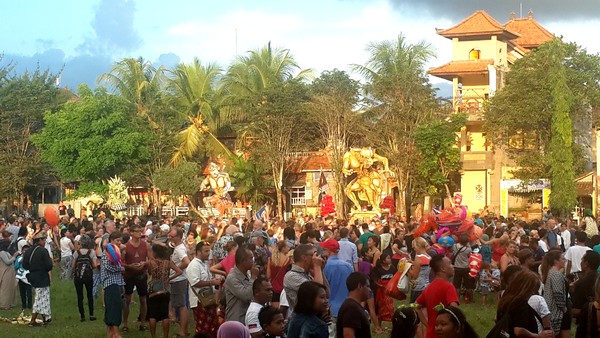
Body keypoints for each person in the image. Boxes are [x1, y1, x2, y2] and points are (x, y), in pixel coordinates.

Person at [496, 270, 554, 338]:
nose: (533, 292)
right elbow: (519, 331)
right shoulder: (520, 304)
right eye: (532, 288)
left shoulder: (506, 299)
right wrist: (538, 336)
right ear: (526, 288)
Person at [415, 254, 459, 338]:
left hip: (431, 333)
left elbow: (416, 305)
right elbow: (455, 310)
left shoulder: (429, 287)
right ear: (443, 269)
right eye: (450, 263)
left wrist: (427, 324)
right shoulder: (448, 287)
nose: (453, 266)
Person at [147, 244, 182, 338]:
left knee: (152, 315)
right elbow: (179, 271)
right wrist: (169, 278)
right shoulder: (167, 262)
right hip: (165, 290)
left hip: (153, 290)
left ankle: (153, 336)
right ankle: (165, 336)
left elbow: (147, 272)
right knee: (165, 315)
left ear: (155, 252)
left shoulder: (150, 263)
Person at [320, 238, 353, 337]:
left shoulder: (324, 267)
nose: (323, 251)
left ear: (329, 251)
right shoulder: (348, 266)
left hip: (330, 308)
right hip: (346, 307)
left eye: (324, 249)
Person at [188, 240, 222, 336]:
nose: (208, 254)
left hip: (208, 299)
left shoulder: (204, 263)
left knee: (212, 327)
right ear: (198, 252)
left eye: (209, 251)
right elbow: (195, 282)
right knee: (203, 329)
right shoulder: (194, 265)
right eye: (206, 251)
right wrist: (211, 282)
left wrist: (216, 280)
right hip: (199, 301)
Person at [122, 224, 150, 332]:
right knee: (127, 300)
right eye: (137, 231)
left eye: (140, 231)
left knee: (143, 299)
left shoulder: (145, 245)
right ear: (131, 233)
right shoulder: (126, 246)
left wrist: (144, 263)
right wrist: (129, 266)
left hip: (141, 274)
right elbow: (121, 262)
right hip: (129, 275)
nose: (140, 233)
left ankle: (143, 323)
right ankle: (125, 323)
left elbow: (151, 259)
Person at [23, 231, 53, 326]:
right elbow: (49, 266)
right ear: (39, 240)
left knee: (42, 297)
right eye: (43, 240)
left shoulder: (28, 251)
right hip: (42, 276)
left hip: (33, 276)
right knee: (40, 298)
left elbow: (25, 266)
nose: (44, 242)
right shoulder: (43, 251)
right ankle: (33, 320)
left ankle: (45, 318)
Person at [283, 244, 324, 311]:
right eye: (314, 255)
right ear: (304, 257)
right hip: (303, 317)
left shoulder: (307, 274)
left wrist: (321, 270)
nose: (317, 258)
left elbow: (326, 293)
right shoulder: (291, 276)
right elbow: (318, 292)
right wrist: (317, 267)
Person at [225, 244, 259, 323]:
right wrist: (253, 278)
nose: (253, 261)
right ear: (243, 261)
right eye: (251, 259)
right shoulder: (232, 278)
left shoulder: (248, 273)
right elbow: (246, 296)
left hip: (247, 318)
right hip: (236, 320)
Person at [571, 250, 600, 337]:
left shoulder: (582, 283)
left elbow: (577, 311)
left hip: (586, 324)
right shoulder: (598, 279)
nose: (580, 262)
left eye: (582, 259)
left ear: (586, 263)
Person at [168, 227, 191, 338]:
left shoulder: (179, 249)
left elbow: (186, 262)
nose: (170, 237)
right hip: (180, 279)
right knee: (182, 305)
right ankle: (185, 329)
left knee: (181, 306)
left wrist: (177, 269)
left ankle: (182, 331)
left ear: (178, 237)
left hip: (178, 279)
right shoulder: (179, 247)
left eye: (172, 236)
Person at [102, 231, 125, 338]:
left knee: (115, 307)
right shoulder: (108, 251)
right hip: (111, 283)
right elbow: (108, 266)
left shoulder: (115, 251)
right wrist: (121, 268)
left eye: (120, 241)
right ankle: (115, 333)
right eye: (117, 241)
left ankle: (110, 333)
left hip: (117, 282)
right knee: (114, 308)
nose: (119, 243)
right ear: (112, 240)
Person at [540, 249, 568, 336]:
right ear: (556, 261)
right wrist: (563, 307)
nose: (565, 261)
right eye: (562, 259)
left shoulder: (551, 272)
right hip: (554, 310)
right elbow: (557, 293)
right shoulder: (556, 274)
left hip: (550, 309)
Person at [336, 272, 372, 338]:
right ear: (360, 286)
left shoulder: (353, 306)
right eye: (368, 286)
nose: (370, 290)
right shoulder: (351, 308)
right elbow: (348, 335)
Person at [71, 234, 98, 321]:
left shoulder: (76, 253)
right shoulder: (92, 252)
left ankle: (82, 316)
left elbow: (73, 266)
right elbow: (94, 265)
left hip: (78, 277)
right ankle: (91, 315)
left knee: (80, 296)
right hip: (89, 276)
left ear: (80, 243)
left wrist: (76, 272)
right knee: (89, 295)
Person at [371, 252, 397, 323]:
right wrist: (380, 285)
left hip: (389, 291)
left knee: (390, 307)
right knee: (381, 308)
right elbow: (374, 279)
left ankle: (393, 324)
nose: (390, 259)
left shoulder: (392, 268)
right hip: (381, 292)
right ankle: (379, 325)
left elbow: (395, 278)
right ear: (383, 261)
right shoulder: (378, 269)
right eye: (388, 258)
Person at [267, 240, 291, 308]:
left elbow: (268, 275)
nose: (289, 248)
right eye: (287, 247)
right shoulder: (288, 260)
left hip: (273, 288)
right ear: (283, 248)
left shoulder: (271, 259)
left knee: (275, 312)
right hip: (284, 289)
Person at [452, 232, 474, 303]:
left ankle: (456, 299)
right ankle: (468, 299)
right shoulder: (468, 249)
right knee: (468, 285)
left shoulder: (455, 246)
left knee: (457, 285)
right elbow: (469, 255)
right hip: (465, 268)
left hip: (457, 267)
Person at [409, 237, 431, 303]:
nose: (414, 249)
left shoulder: (418, 257)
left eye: (414, 247)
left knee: (415, 308)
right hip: (427, 285)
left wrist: (407, 269)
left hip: (418, 287)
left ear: (418, 246)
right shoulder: (429, 257)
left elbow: (415, 276)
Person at [0, 238, 17, 309]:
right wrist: (14, 256)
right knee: (5, 287)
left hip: (10, 272)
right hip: (5, 271)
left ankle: (10, 303)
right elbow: (7, 262)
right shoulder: (2, 253)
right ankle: (4, 304)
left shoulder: (6, 252)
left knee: (10, 287)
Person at [15, 244, 32, 311]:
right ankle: (24, 305)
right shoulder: (19, 258)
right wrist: (20, 262)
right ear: (22, 251)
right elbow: (16, 266)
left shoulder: (31, 258)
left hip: (28, 276)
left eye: (27, 250)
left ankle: (29, 305)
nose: (26, 252)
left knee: (29, 291)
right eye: (25, 250)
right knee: (22, 292)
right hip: (21, 277)